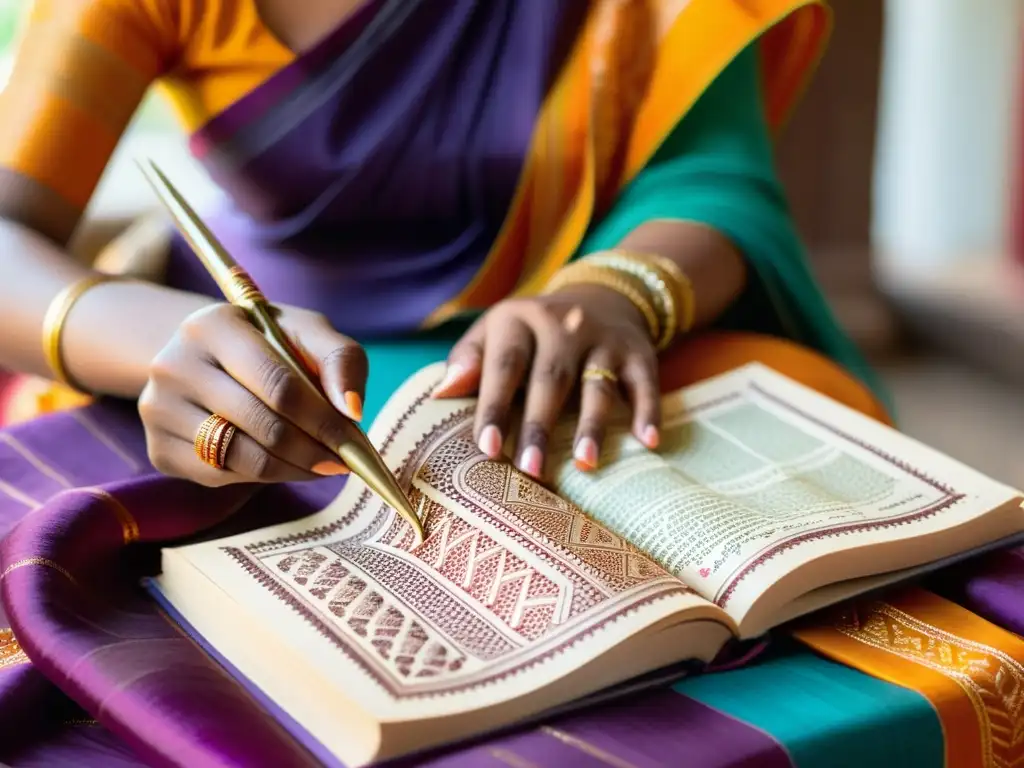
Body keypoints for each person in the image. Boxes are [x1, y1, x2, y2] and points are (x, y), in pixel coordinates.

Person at [1, 1, 1022, 765]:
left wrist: (617, 293)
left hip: (576, 340)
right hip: (276, 370)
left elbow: (712, 178)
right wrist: (161, 339)